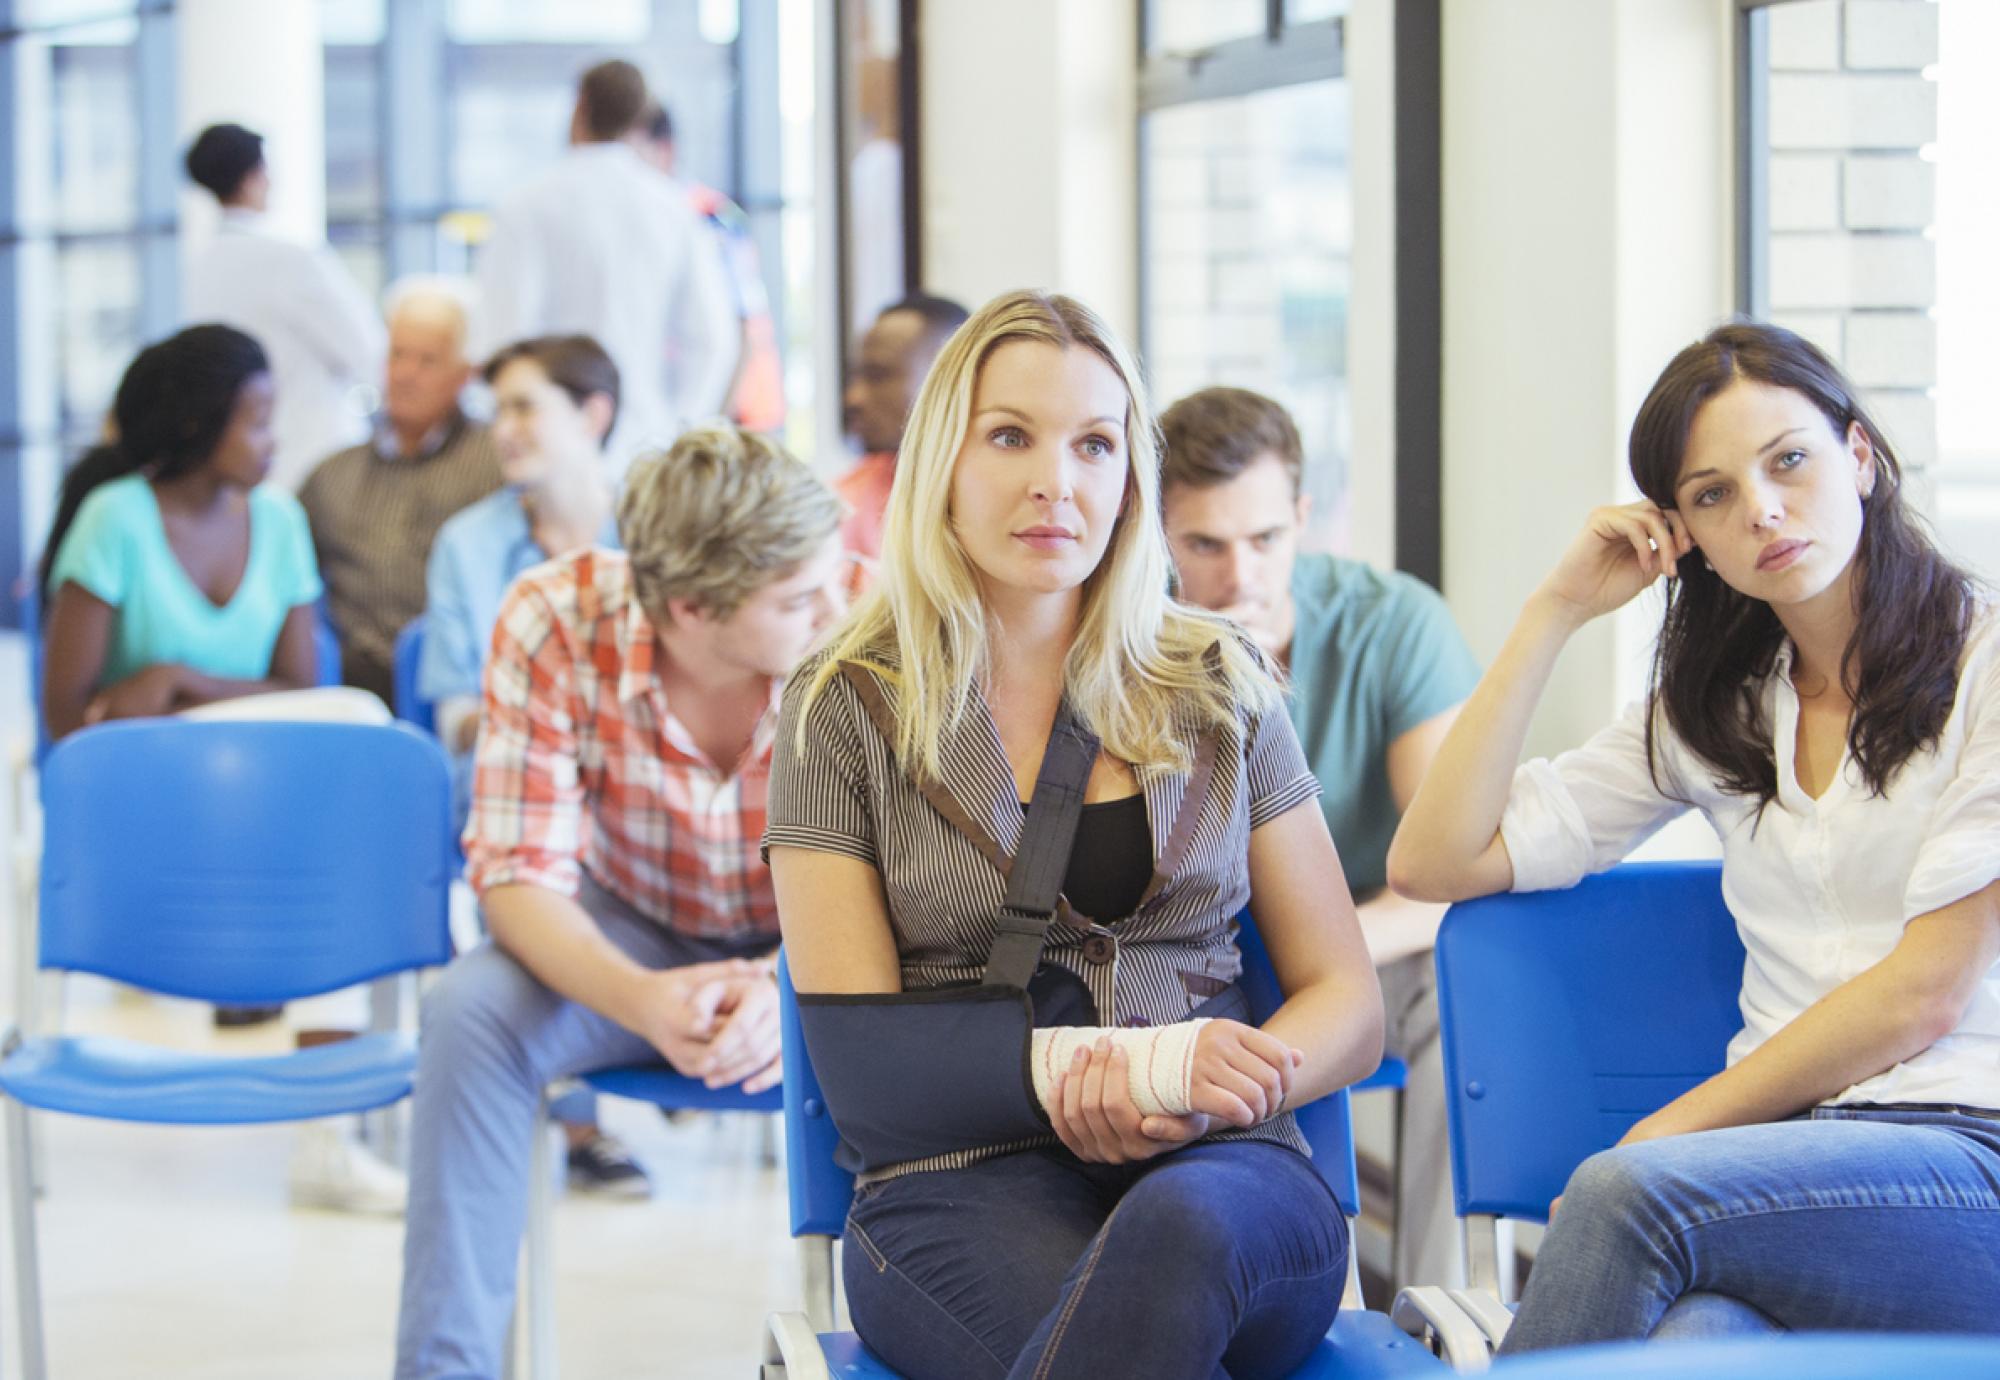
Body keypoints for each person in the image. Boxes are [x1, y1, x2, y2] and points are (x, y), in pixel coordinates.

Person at [766, 291, 1385, 1380]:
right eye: (1010, 436)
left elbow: (1348, 1005)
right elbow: (862, 1069)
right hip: (956, 1179)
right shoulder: (840, 707)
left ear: (1129, 481)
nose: (1057, 480)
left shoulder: (1220, 685)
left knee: (1175, 1238)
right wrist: (1093, 1072)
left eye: (1095, 444)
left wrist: (1203, 1086)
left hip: (1224, 1169)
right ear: (941, 462)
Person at [1387, 322, 2000, 1349]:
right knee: (1691, 1345)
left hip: (1967, 1165)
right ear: (1681, 533)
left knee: (1630, 1195)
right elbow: (1433, 860)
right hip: (1784, 1185)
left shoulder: (1981, 667)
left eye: (1787, 461)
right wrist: (1552, 611)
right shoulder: (1714, 708)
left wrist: (1669, 1133)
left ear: (1857, 456)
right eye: (1711, 494)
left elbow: (1922, 992)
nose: (1759, 509)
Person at [393, 427, 848, 1378]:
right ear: (688, 607)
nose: (837, 607)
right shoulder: (554, 616)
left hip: (825, 934)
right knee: (469, 1015)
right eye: (800, 599)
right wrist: (645, 999)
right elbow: (516, 873)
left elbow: (909, 886)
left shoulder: (869, 621)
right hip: (627, 922)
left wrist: (787, 985)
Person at [38, 323, 401, 1206]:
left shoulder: (276, 522)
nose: (273, 444)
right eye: (258, 422)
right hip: (144, 817)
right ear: (202, 425)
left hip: (261, 804)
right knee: (328, 863)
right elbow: (68, 720)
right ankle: (327, 1124)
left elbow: (303, 689)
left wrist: (174, 679)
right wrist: (211, 697)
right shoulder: (114, 519)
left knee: (350, 855)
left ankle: (328, 1133)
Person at [1158, 385, 1480, 1289]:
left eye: (1266, 540)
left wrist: (1330, 962)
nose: (1242, 577)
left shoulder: (1393, 624)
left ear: (1303, 517)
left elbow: (1449, 872)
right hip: (1195, 965)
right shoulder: (1129, 648)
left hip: (1368, 951)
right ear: (1158, 538)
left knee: (1469, 994)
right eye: (1204, 546)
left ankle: (1436, 1308)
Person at [418, 333, 640, 1195]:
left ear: (592, 414)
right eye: (496, 411)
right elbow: (456, 716)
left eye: (523, 407)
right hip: (518, 781)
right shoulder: (466, 547)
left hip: (640, 790)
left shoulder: (655, 527)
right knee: (535, 825)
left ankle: (640, 1030)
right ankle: (585, 1124)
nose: (502, 429)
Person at [472, 60, 738, 465]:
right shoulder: (671, 207)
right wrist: (677, 427)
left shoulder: (527, 204)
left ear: (580, 108)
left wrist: (511, 423)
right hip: (646, 444)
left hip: (548, 441)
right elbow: (714, 340)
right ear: (640, 118)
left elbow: (499, 337)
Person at [299, 278, 502, 703]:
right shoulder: (332, 474)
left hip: (465, 684)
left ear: (465, 375)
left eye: (427, 360)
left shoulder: (497, 465)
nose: (405, 374)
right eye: (397, 355)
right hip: (353, 689)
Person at [183, 123, 384, 491]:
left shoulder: (198, 266)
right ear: (251, 178)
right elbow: (365, 348)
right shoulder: (291, 259)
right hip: (314, 459)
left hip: (240, 467)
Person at [634, 101, 784, 434]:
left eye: (634, 158)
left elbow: (743, 325)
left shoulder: (709, 218)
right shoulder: (657, 220)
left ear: (665, 151)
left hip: (735, 417)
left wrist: (707, 432)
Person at [834, 293, 969, 569]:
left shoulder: (1009, 497)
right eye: (856, 376)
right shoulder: (841, 505)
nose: (854, 398)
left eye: (878, 375)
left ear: (948, 379)